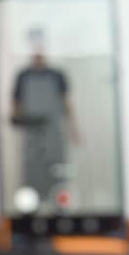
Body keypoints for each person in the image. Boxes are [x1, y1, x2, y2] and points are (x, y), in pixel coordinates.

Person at [12, 52, 79, 202]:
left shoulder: (57, 75)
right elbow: (15, 103)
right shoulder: (23, 76)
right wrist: (15, 119)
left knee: (57, 170)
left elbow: (67, 103)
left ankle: (60, 205)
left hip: (54, 131)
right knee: (32, 171)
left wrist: (73, 130)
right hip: (31, 132)